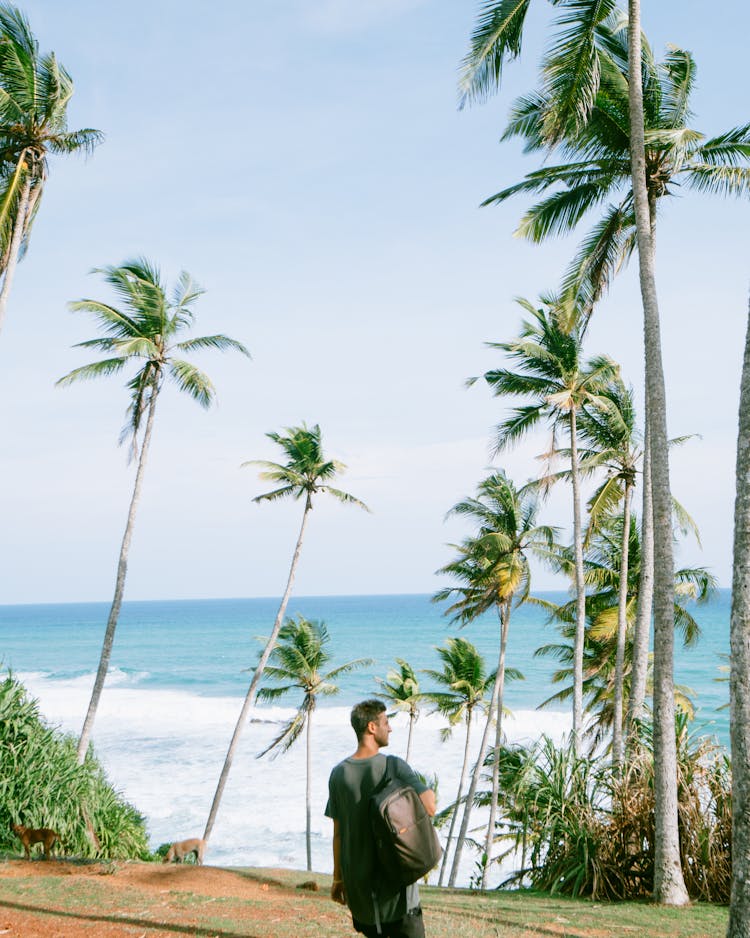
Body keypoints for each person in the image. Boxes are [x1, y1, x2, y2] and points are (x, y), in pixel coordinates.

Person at [326, 698, 437, 938]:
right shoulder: (393, 767)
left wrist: (338, 880)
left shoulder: (338, 774)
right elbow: (430, 806)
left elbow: (338, 834)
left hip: (361, 895)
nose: (390, 728)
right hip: (397, 894)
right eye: (386, 722)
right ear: (371, 727)